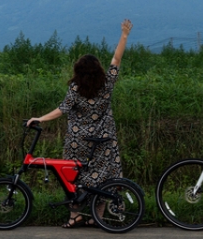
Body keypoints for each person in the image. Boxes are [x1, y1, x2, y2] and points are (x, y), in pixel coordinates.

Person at [27, 19, 133, 228]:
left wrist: (40, 118)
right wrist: (124, 35)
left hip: (78, 141)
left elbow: (61, 110)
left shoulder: (75, 88)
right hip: (102, 140)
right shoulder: (106, 84)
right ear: (98, 70)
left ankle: (74, 216)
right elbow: (117, 58)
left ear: (78, 70)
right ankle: (98, 217)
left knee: (73, 178)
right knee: (102, 179)